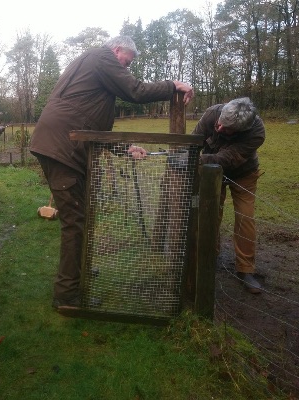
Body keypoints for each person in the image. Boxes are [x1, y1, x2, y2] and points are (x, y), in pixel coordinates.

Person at [29, 36, 195, 309]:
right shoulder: (101, 56)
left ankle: (77, 271)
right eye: (126, 62)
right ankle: (67, 296)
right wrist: (172, 86)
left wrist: (125, 148)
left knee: (79, 217)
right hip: (63, 147)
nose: (126, 69)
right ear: (117, 50)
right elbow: (136, 91)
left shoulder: (93, 74)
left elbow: (92, 126)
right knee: (74, 222)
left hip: (64, 144)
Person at [191, 97, 265, 294]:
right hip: (210, 172)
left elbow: (227, 159)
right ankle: (209, 257)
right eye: (219, 124)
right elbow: (193, 141)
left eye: (227, 129)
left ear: (241, 130)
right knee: (211, 213)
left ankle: (246, 269)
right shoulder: (212, 113)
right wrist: (185, 157)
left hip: (243, 174)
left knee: (245, 216)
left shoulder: (256, 132)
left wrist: (198, 160)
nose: (220, 128)